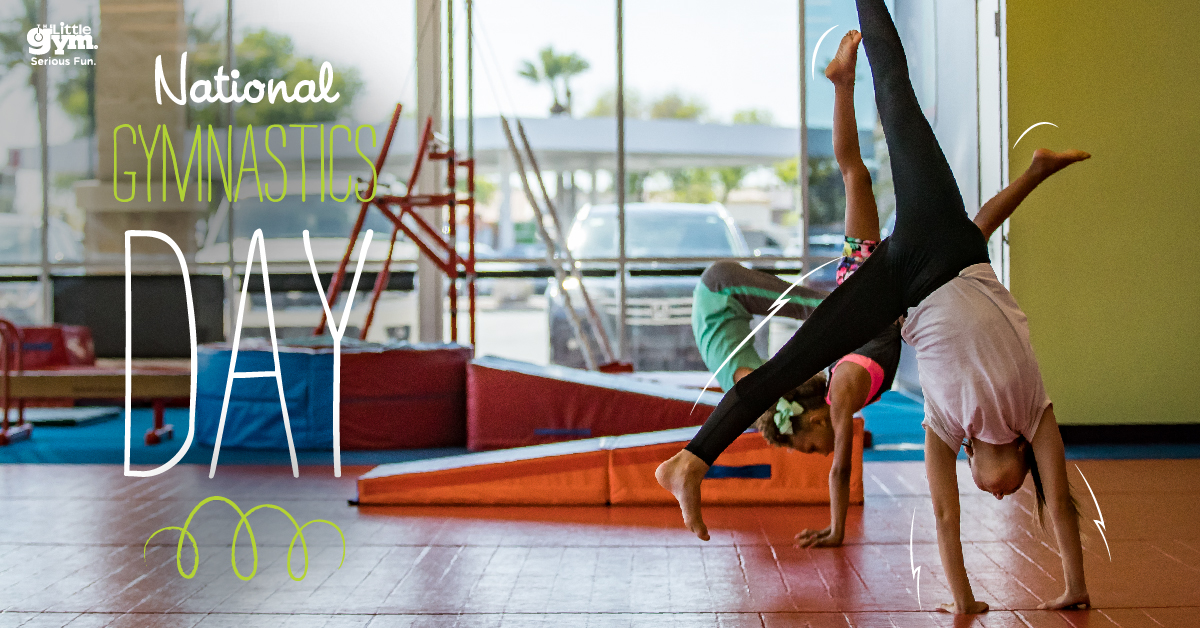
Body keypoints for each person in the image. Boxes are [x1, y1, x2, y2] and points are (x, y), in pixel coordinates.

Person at [657, 0, 1092, 613]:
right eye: (1008, 494)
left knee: (788, 362)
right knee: (894, 92)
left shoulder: (949, 429)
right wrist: (1076, 584)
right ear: (1023, 456)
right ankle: (694, 460)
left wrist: (965, 601)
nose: (995, 499)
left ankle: (691, 459)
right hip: (953, 251)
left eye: (990, 497)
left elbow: (943, 513)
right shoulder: (1033, 414)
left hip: (899, 289)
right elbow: (1064, 494)